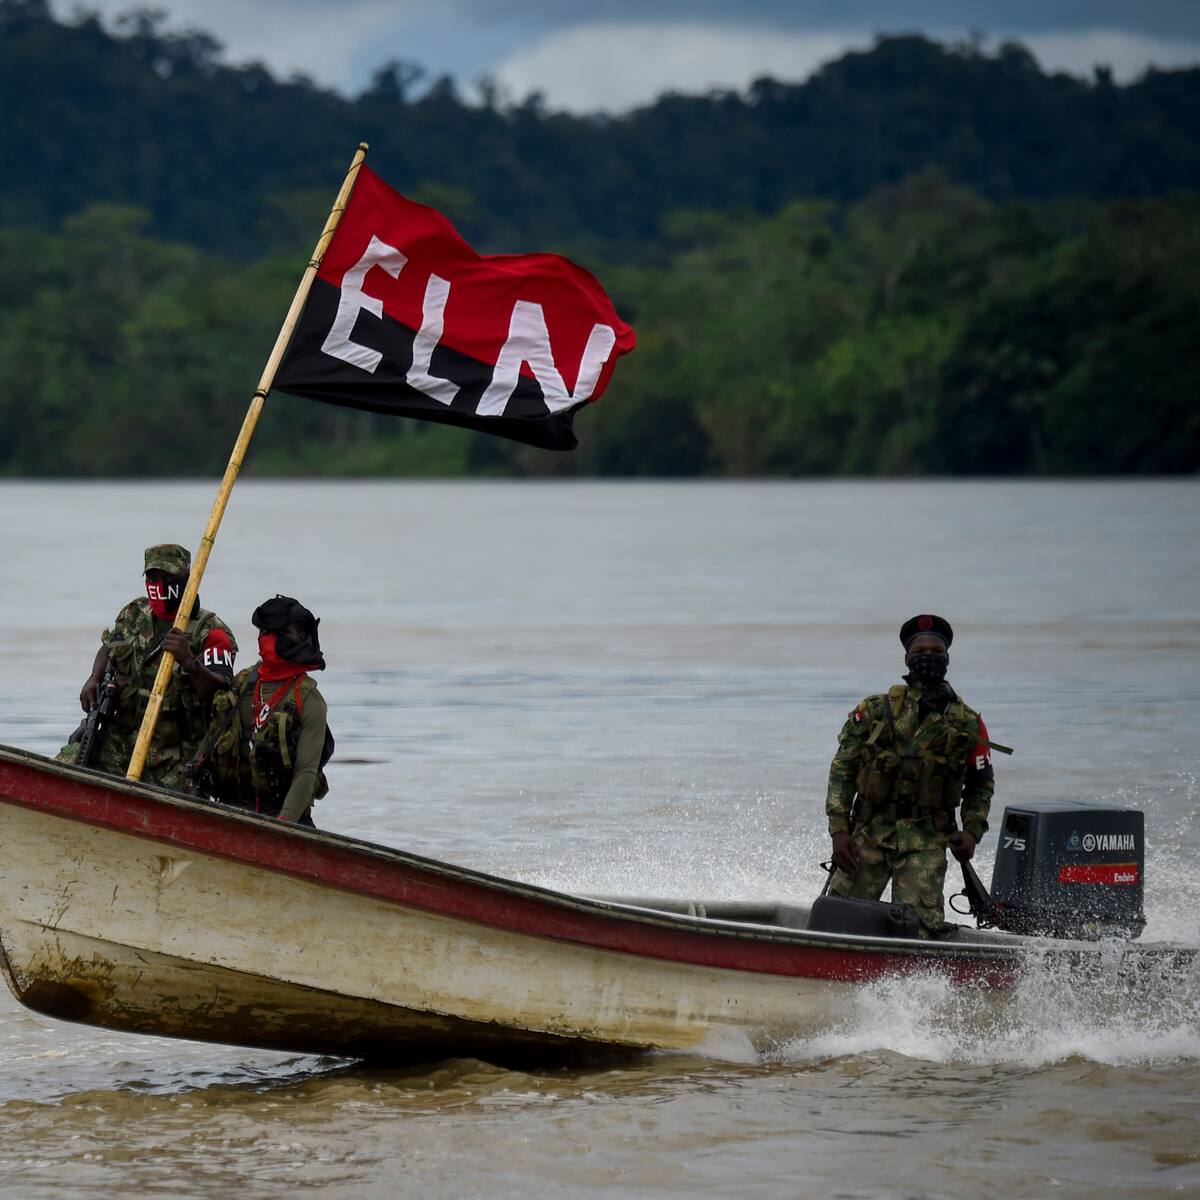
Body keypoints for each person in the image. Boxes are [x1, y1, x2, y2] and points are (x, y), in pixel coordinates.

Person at [823, 614, 995, 937]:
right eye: (919, 652)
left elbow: (980, 786)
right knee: (839, 921)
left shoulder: (968, 723)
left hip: (927, 842)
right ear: (906, 659)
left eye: (935, 651)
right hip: (869, 836)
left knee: (918, 932)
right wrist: (839, 832)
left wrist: (972, 833)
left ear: (947, 659)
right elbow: (842, 770)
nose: (928, 657)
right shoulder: (875, 711)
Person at [58, 543, 238, 789]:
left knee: (170, 801)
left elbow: (219, 693)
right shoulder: (136, 613)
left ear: (187, 580)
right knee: (70, 763)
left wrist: (188, 661)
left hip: (176, 755)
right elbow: (110, 646)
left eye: (168, 578)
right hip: (125, 737)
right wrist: (94, 677)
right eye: (153, 577)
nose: (159, 584)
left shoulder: (212, 633)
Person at [190, 595, 333, 825]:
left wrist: (282, 824)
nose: (263, 639)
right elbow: (214, 734)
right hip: (233, 807)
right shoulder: (244, 683)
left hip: (282, 814)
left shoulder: (309, 701)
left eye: (270, 633)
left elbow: (306, 773)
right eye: (262, 632)